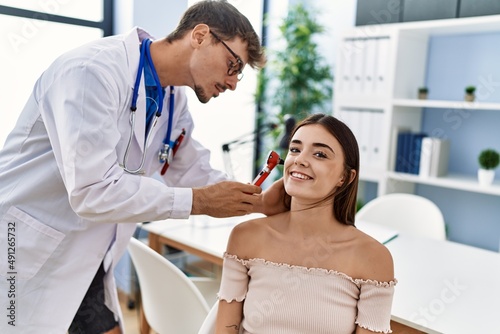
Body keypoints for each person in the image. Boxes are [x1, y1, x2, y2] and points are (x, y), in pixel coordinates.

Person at [0, 1, 286, 333]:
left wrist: (260, 202)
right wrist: (199, 201)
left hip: (88, 253)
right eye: (233, 64)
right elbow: (93, 191)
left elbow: (192, 166)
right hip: (28, 248)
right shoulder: (91, 72)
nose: (234, 82)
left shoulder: (171, 99)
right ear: (200, 35)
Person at [214, 113, 397, 334]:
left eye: (320, 154)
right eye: (295, 149)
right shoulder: (246, 237)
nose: (299, 159)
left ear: (345, 178)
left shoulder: (373, 258)